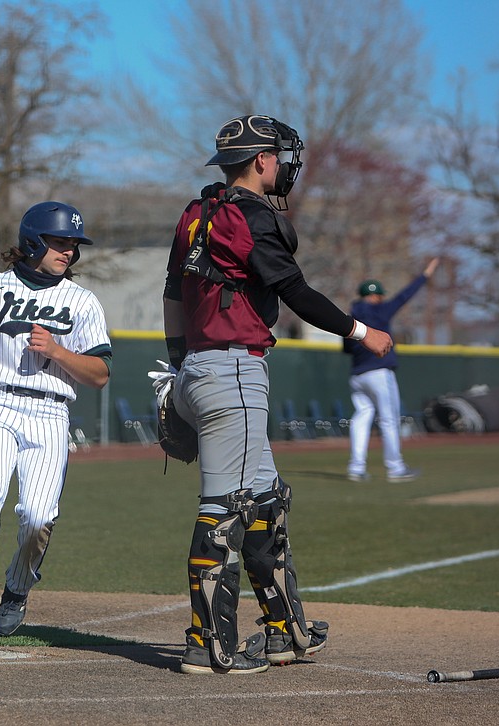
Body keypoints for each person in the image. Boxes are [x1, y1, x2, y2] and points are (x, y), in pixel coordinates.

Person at [162, 115, 393, 675]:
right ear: (260, 159)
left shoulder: (197, 213)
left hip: (200, 366)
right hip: (235, 371)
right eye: (278, 156)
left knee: (266, 499)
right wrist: (362, 331)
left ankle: (286, 632)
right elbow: (295, 292)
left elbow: (173, 294)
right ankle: (206, 644)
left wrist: (180, 366)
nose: (284, 165)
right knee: (225, 510)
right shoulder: (250, 216)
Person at [0, 200, 112, 637]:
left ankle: (16, 588)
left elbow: (101, 374)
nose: (68, 251)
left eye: (73, 245)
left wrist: (57, 351)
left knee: (38, 517)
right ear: (32, 241)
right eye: (59, 242)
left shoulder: (82, 301)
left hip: (50, 412)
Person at [344, 258, 440, 483]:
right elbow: (405, 296)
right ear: (377, 296)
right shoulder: (381, 310)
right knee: (388, 419)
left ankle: (356, 468)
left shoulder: (351, 316)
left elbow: (346, 348)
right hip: (379, 372)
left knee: (361, 417)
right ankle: (395, 468)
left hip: (357, 375)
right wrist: (425, 275)